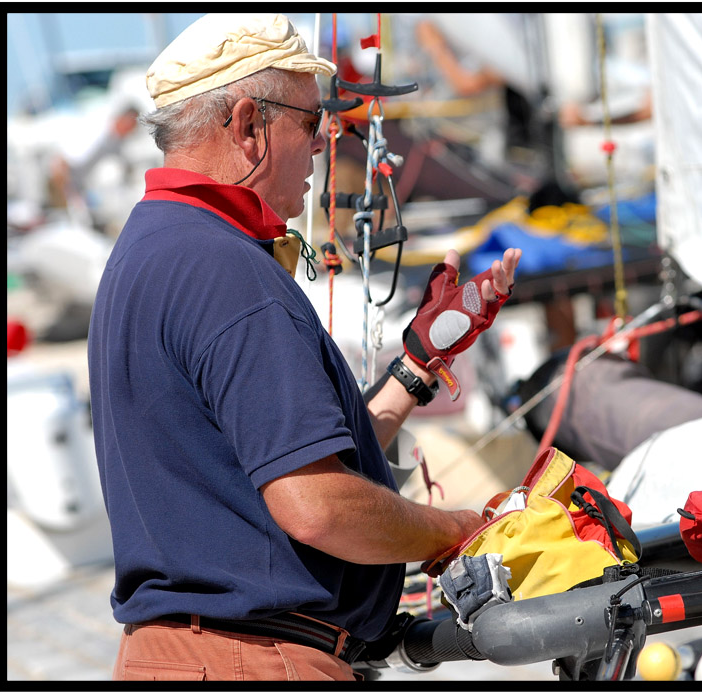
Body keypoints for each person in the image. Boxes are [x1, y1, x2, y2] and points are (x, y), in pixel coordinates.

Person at [88, 14, 520, 681]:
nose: (324, 143)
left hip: (181, 655)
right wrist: (460, 530)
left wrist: (417, 364)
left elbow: (275, 463)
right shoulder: (223, 268)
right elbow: (315, 507)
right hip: (251, 661)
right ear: (246, 126)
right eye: (310, 120)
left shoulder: (152, 246)